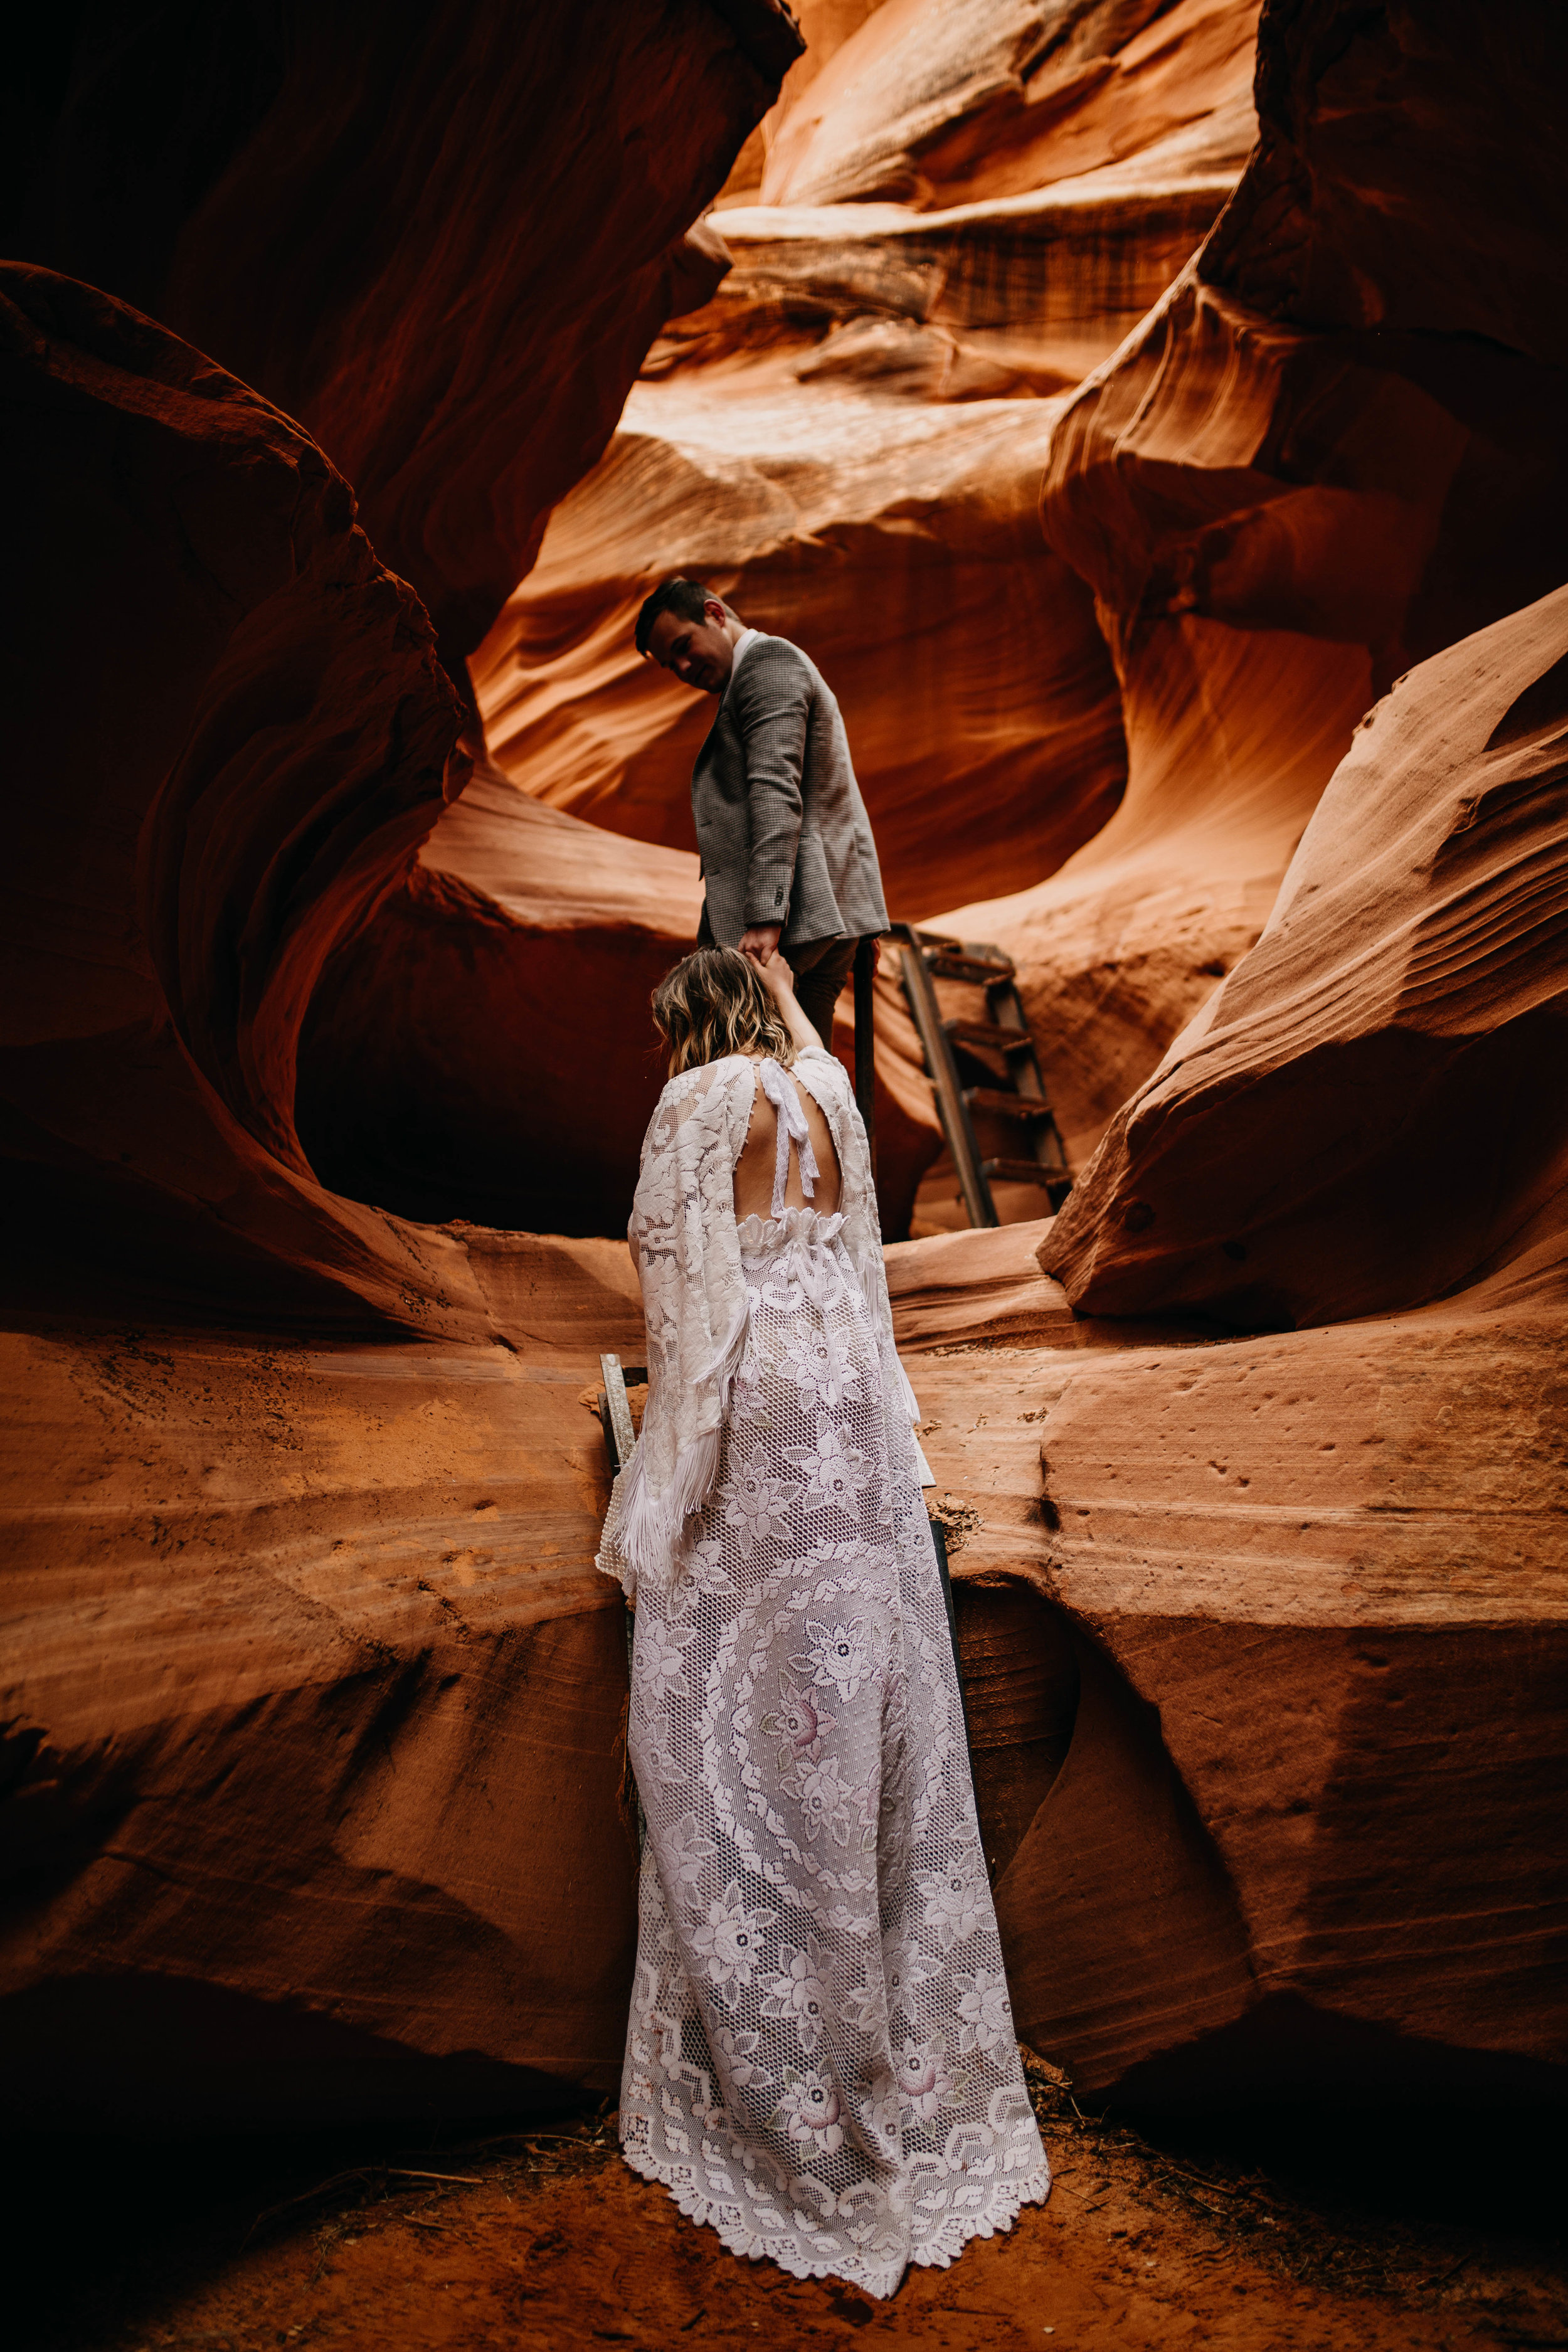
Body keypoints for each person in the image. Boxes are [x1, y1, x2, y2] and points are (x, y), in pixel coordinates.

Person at [598, 945, 1049, 2299]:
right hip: (851, 1403)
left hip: (762, 1400)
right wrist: (786, 989)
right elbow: (857, 1267)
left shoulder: (699, 1103)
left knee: (710, 1706)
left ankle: (791, 2086)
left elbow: (675, 1278)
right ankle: (897, 2053)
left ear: (689, 1026)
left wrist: (661, 1471)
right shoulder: (829, 1095)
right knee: (861, 1699)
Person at [635, 578, 889, 1044]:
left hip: (792, 919)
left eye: (684, 646)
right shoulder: (764, 671)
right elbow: (834, 794)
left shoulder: (766, 665)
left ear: (715, 613)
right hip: (822, 912)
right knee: (803, 1066)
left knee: (763, 1068)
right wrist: (864, 917)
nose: (685, 668)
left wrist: (765, 918)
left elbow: (776, 791)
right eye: (672, 665)